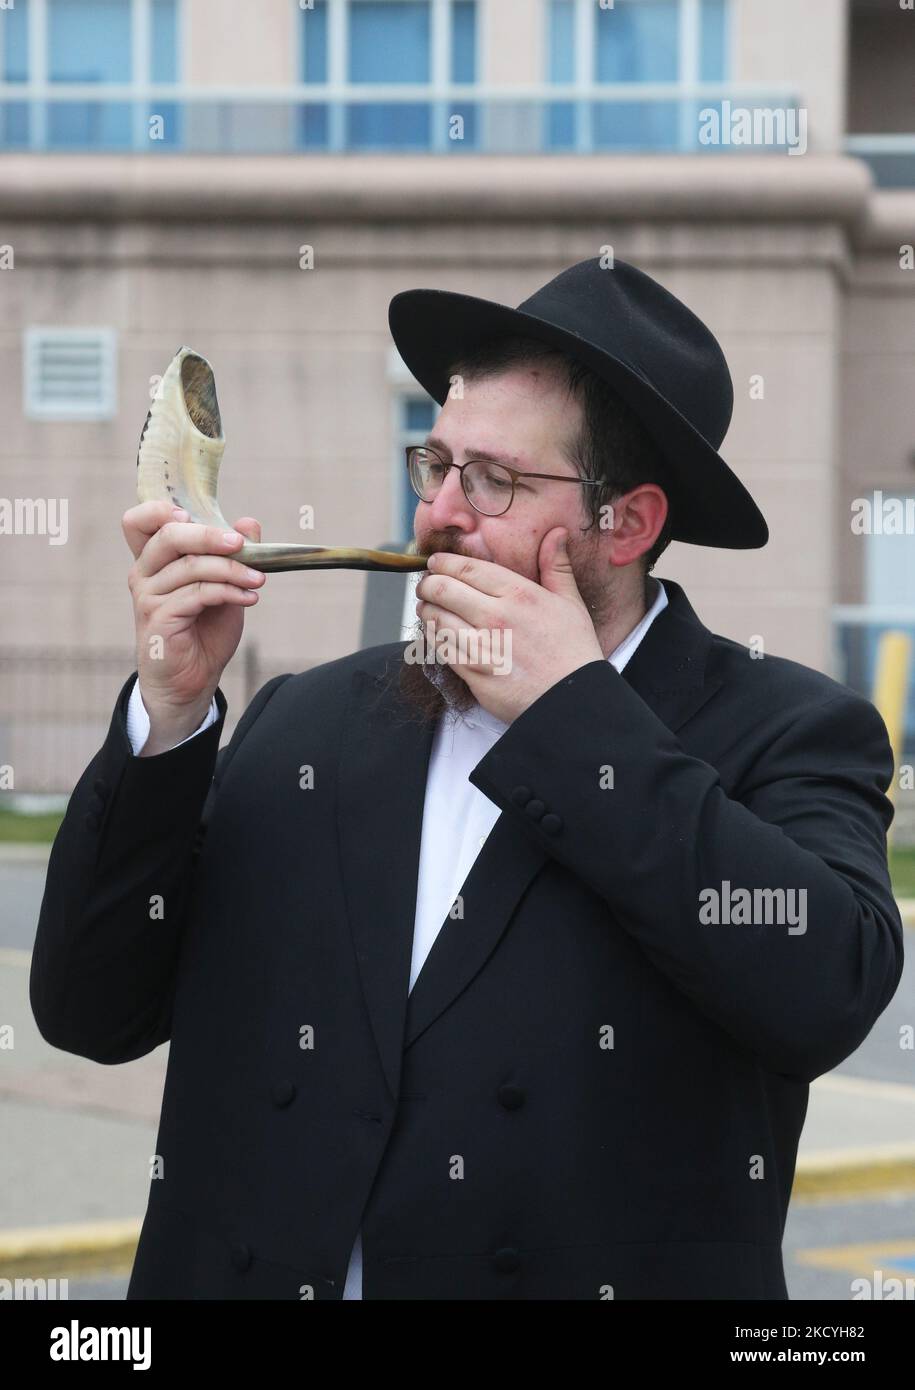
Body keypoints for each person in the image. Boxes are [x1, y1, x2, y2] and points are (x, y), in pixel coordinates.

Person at [31, 257, 903, 1300]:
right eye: (433, 462)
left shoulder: (789, 729)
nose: (439, 511)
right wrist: (168, 718)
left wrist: (572, 714)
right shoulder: (307, 719)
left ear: (625, 522)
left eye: (489, 479)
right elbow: (88, 1010)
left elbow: (825, 990)